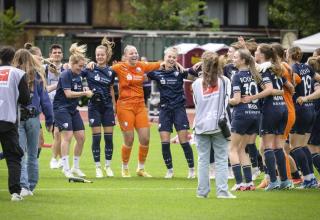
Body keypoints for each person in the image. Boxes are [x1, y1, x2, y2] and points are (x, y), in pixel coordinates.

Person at [244, 43, 291, 190]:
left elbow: (269, 89)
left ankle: (273, 181)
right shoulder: (277, 68)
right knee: (278, 146)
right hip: (282, 108)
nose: (255, 53)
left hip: (270, 110)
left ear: (262, 55)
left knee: (267, 148)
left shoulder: (264, 70)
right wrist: (279, 92)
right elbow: (290, 88)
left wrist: (253, 97)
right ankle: (285, 181)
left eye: (257, 51)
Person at [147, 47, 197, 179]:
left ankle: (191, 169)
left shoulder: (180, 72)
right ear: (165, 57)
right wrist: (159, 64)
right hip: (164, 110)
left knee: (183, 141)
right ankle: (170, 170)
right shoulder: (157, 73)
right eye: (169, 56)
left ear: (177, 59)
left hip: (179, 109)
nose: (171, 59)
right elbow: (143, 71)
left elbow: (193, 76)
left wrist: (185, 68)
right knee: (164, 142)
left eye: (174, 57)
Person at [112, 45, 161, 177]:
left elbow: (159, 64)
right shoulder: (119, 67)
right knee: (129, 139)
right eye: (131, 53)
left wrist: (173, 61)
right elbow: (103, 70)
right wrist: (92, 65)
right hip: (124, 106)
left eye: (136, 53)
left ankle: (141, 168)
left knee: (145, 139)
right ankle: (125, 167)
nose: (134, 55)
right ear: (125, 56)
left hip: (140, 107)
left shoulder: (142, 65)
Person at [192, 51, 236, 199]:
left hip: (201, 125)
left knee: (203, 160)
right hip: (219, 125)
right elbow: (227, 102)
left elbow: (197, 105)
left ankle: (202, 192)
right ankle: (222, 192)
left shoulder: (196, 84)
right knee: (222, 159)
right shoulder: (225, 81)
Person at [12, 49, 53, 196]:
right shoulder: (38, 76)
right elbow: (45, 101)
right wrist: (49, 120)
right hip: (34, 118)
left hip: (18, 117)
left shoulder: (14, 75)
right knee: (33, 154)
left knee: (21, 154)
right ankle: (31, 186)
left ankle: (23, 186)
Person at [53, 43, 93, 178]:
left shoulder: (78, 75)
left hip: (72, 109)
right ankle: (65, 167)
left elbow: (77, 91)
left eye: (82, 66)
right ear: (72, 64)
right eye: (79, 66)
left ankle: (75, 167)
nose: (81, 69)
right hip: (61, 108)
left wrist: (84, 90)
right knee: (67, 137)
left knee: (81, 137)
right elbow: (68, 94)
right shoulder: (66, 74)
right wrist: (84, 93)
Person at [82, 37, 116, 178]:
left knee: (109, 139)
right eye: (97, 55)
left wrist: (114, 105)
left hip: (107, 107)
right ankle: (97, 167)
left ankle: (108, 166)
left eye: (102, 55)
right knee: (96, 138)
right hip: (94, 107)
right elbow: (75, 70)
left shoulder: (111, 71)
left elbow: (111, 89)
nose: (99, 57)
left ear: (106, 56)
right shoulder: (90, 68)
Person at [287, 46, 320, 188]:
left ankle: (307, 178)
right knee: (303, 145)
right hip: (311, 109)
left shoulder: (292, 69)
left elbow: (292, 85)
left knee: (294, 146)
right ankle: (311, 178)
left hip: (299, 109)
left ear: (289, 54)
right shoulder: (308, 68)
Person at [0, 46, 30, 201]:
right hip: (8, 120)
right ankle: (15, 193)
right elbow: (26, 99)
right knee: (13, 157)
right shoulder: (18, 74)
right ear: (13, 59)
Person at [228, 49, 260, 191]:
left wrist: (225, 101)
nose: (233, 59)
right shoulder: (255, 75)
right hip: (255, 114)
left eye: (235, 57)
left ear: (243, 61)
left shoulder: (237, 76)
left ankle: (240, 182)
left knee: (232, 149)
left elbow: (235, 100)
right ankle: (249, 183)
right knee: (242, 150)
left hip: (242, 114)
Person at [46, 44, 65, 169]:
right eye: (54, 52)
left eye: (59, 52)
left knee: (59, 134)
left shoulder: (66, 68)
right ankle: (60, 160)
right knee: (55, 134)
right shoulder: (44, 68)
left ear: (62, 55)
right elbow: (45, 89)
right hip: (49, 105)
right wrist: (58, 84)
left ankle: (57, 160)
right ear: (50, 55)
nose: (57, 54)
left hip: (62, 104)